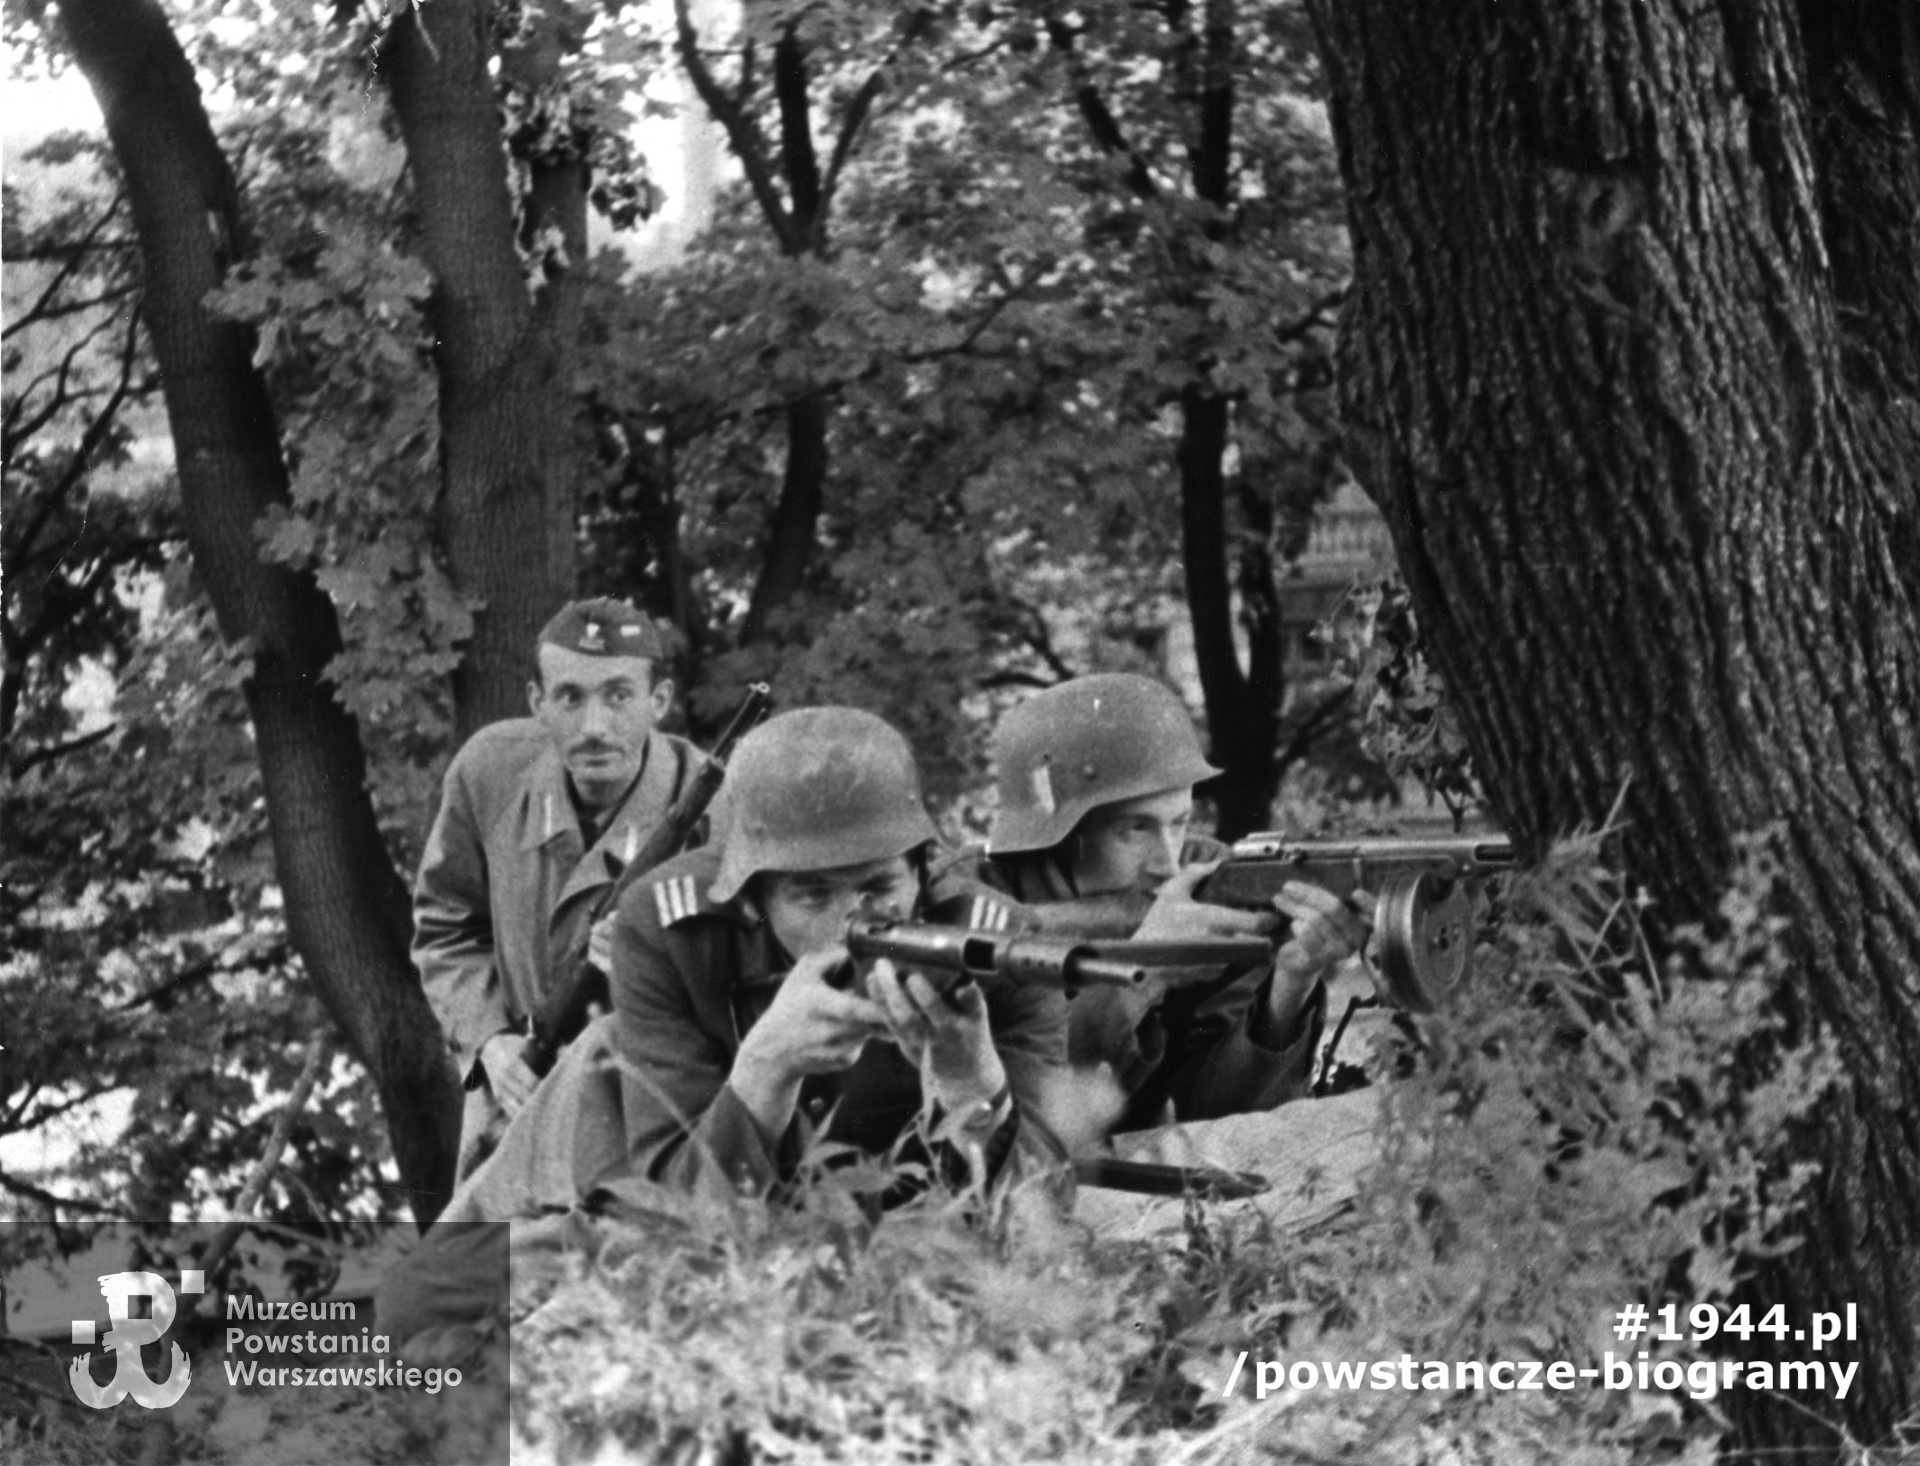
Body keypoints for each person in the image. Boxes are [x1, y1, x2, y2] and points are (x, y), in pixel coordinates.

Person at [604, 706, 1069, 1201]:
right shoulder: (672, 933)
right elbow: (676, 1212)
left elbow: (1042, 1212)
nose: (853, 923)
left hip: (890, 1234)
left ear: (921, 873)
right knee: (520, 1250)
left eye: (879, 886)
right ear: (752, 898)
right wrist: (765, 1069)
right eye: (813, 894)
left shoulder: (992, 947)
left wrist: (975, 1090)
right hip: (610, 1140)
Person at [937, 672, 1368, 1137]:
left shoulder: (1208, 881)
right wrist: (1142, 975)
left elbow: (1223, 1112)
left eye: (1178, 822)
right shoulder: (959, 904)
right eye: (1133, 830)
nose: (1166, 862)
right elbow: (1006, 1105)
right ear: (1053, 835)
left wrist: (1291, 986)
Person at [413, 597, 706, 1176]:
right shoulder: (491, 773)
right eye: (570, 697)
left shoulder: (710, 806)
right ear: (537, 705)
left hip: (655, 1103)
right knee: (475, 1262)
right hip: (515, 1085)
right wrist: (487, 1043)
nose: (595, 727)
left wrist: (655, 954)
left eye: (619, 696)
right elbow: (447, 926)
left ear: (660, 703)